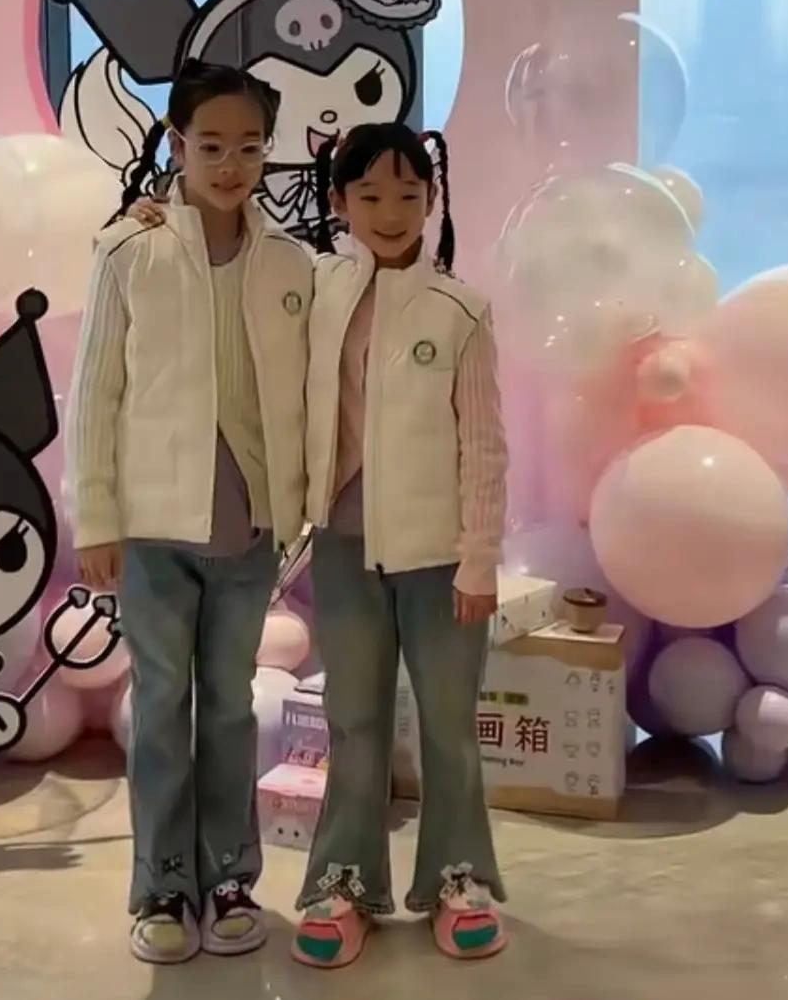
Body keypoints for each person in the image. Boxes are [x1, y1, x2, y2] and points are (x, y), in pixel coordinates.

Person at [65, 60, 313, 967]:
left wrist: (303, 507)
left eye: (249, 146)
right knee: (163, 708)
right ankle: (164, 885)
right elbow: (95, 391)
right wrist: (96, 518)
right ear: (177, 144)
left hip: (250, 529)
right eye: (211, 145)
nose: (230, 163)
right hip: (151, 529)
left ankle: (231, 878)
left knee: (232, 711)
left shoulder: (290, 263)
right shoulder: (128, 252)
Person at [294, 122, 508, 967]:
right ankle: (343, 881)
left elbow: (483, 446)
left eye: (409, 195)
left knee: (450, 726)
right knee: (354, 722)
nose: (391, 212)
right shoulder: (316, 289)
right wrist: (161, 210)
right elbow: (237, 253)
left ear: (431, 200)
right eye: (371, 195)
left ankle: (460, 878)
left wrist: (480, 559)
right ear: (339, 201)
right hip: (343, 547)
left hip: (440, 558)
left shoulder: (460, 311)